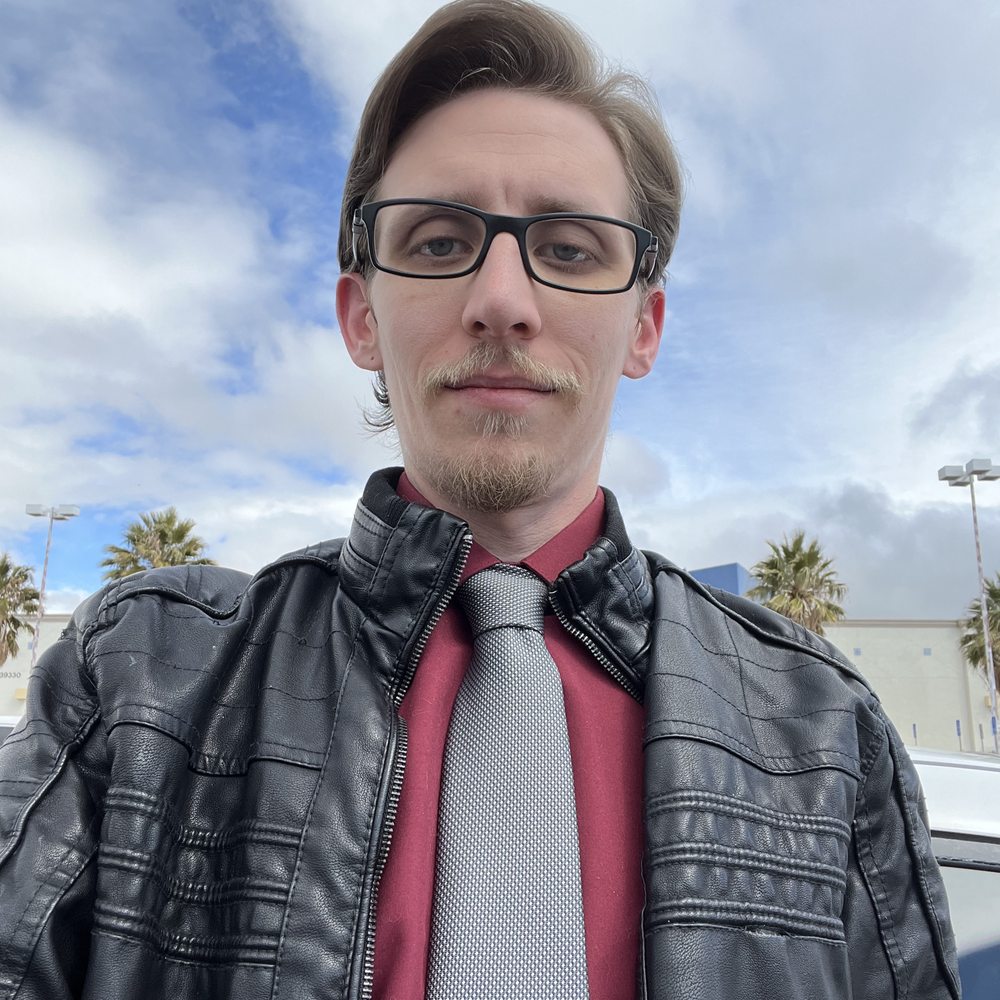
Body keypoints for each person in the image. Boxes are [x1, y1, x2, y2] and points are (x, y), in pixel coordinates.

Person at [0, 2, 959, 998]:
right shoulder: (138, 684)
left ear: (644, 327)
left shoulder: (822, 727)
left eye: (571, 249)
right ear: (360, 318)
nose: (502, 299)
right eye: (438, 241)